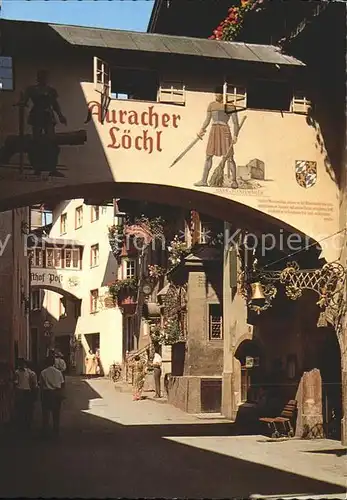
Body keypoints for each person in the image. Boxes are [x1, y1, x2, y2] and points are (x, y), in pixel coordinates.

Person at [194, 86, 240, 188]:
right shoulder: (211, 105)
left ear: (223, 94)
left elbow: (236, 123)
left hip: (225, 131)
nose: (216, 95)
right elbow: (207, 120)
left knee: (230, 157)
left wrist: (235, 135)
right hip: (214, 131)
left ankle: (234, 181)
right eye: (215, 93)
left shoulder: (230, 106)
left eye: (218, 93)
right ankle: (204, 180)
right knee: (208, 155)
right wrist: (202, 130)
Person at [22, 69, 67, 140]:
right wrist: (22, 102)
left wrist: (60, 116)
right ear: (38, 78)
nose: (43, 79)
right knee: (37, 137)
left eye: (45, 77)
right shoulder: (32, 89)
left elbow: (55, 104)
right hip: (37, 114)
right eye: (41, 77)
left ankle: (49, 148)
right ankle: (37, 148)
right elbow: (24, 100)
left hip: (47, 114)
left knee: (50, 137)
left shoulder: (51, 90)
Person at [39, 355, 65, 438]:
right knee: (56, 414)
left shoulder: (43, 372)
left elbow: (41, 384)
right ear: (53, 363)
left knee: (45, 414)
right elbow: (62, 384)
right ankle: (56, 431)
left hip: (47, 393)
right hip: (56, 393)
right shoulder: (58, 372)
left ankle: (45, 432)